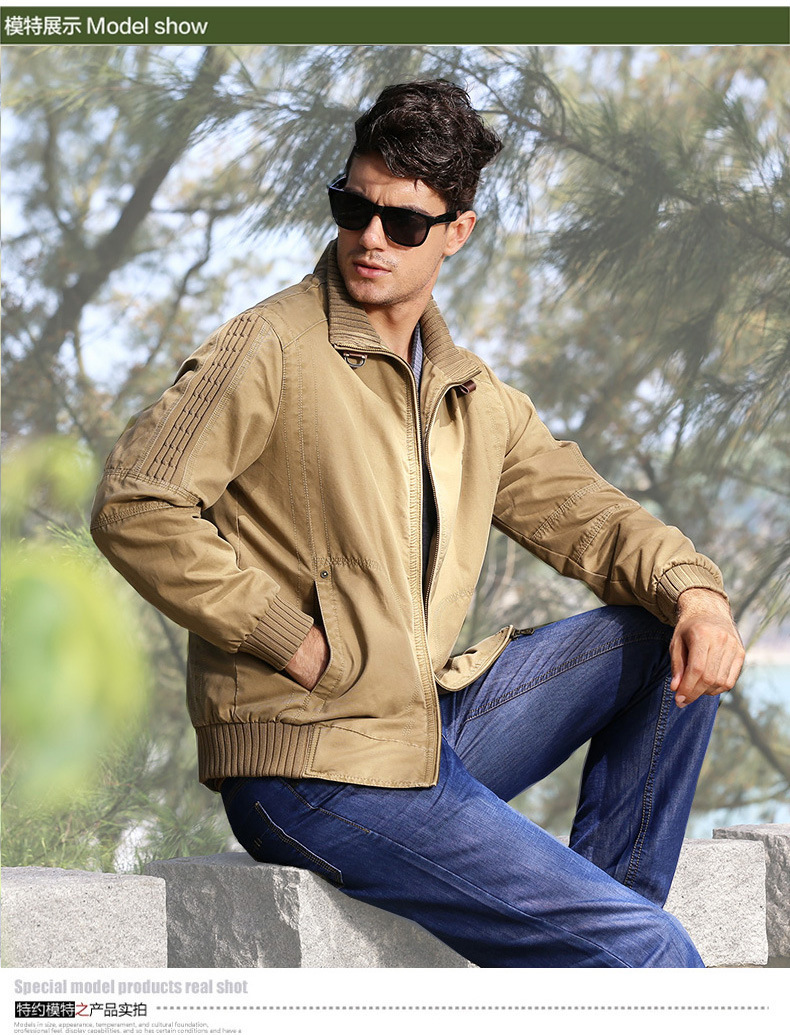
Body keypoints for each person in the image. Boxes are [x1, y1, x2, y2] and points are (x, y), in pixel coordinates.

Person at [91, 80, 744, 968]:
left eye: (402, 222)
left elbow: (588, 514)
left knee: (669, 633)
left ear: (456, 231)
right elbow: (137, 503)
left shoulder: (466, 392)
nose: (369, 237)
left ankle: (600, 963)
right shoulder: (270, 346)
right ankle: (622, 959)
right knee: (652, 949)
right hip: (308, 766)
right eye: (352, 207)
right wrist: (288, 636)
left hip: (418, 732)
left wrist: (699, 593)